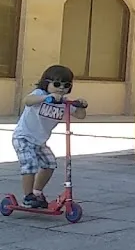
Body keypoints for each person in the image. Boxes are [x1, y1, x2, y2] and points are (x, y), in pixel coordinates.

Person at [12, 65, 87, 209]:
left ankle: (36, 193)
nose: (61, 88)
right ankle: (28, 197)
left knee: (50, 163)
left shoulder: (63, 102)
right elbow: (27, 101)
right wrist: (46, 97)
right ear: (47, 83)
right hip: (23, 137)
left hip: (40, 142)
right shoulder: (40, 94)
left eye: (66, 85)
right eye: (57, 84)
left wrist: (81, 105)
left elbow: (80, 115)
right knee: (30, 164)